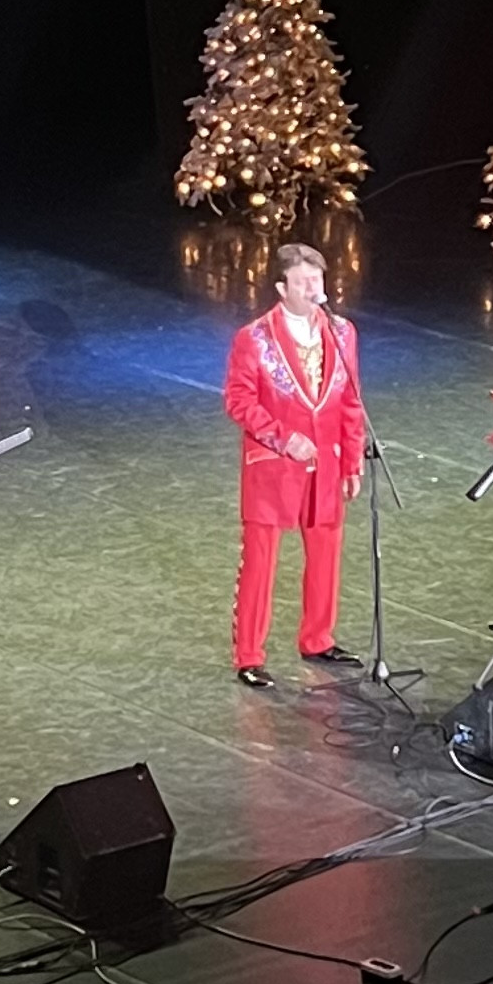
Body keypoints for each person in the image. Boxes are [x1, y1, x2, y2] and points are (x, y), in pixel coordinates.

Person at [223, 238, 368, 687]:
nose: (313, 290)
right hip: (274, 465)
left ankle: (318, 638)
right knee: (261, 561)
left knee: (326, 552)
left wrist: (352, 462)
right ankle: (249, 654)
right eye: (303, 282)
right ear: (281, 288)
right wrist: (284, 438)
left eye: (318, 280)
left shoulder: (343, 333)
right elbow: (238, 400)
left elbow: (350, 400)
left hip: (326, 463)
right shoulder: (255, 338)